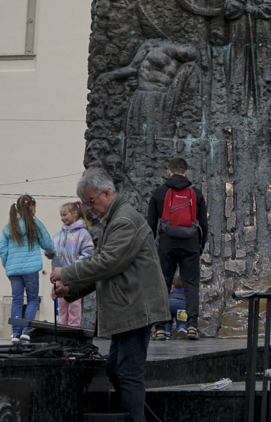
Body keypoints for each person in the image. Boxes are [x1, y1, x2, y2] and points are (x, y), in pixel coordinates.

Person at [52, 168, 170, 422]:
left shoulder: (124, 221)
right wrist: (70, 289)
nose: (89, 207)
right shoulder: (116, 219)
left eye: (91, 201)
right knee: (116, 370)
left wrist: (67, 272)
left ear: (107, 193)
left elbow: (106, 263)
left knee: (127, 373)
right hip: (128, 308)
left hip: (136, 309)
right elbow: (105, 268)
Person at [146, 157, 207, 340]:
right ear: (186, 172)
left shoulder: (158, 193)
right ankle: (191, 326)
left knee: (162, 285)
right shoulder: (196, 194)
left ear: (168, 171)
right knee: (191, 286)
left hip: (166, 245)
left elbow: (151, 225)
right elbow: (204, 224)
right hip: (190, 245)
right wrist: (199, 248)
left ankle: (159, 328)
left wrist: (152, 250)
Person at [0, 194, 54, 342]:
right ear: (32, 207)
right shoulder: (35, 225)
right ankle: (26, 331)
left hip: (14, 271)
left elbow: (3, 251)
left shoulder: (8, 227)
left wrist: (8, 266)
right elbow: (48, 245)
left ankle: (15, 333)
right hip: (31, 270)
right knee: (32, 300)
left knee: (17, 300)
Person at [49, 201, 95, 327]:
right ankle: (62, 327)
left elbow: (88, 252)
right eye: (61, 216)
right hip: (59, 275)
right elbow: (52, 250)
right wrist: (49, 252)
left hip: (74, 275)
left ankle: (73, 328)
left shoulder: (83, 234)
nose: (63, 218)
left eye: (65, 215)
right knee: (62, 306)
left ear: (75, 213)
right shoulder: (58, 235)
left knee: (74, 305)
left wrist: (75, 266)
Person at [164, 274, 188, 339]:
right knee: (182, 321)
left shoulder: (171, 292)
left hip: (169, 303)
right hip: (181, 304)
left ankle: (166, 332)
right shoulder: (186, 293)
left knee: (167, 321)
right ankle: (181, 329)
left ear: (173, 285)